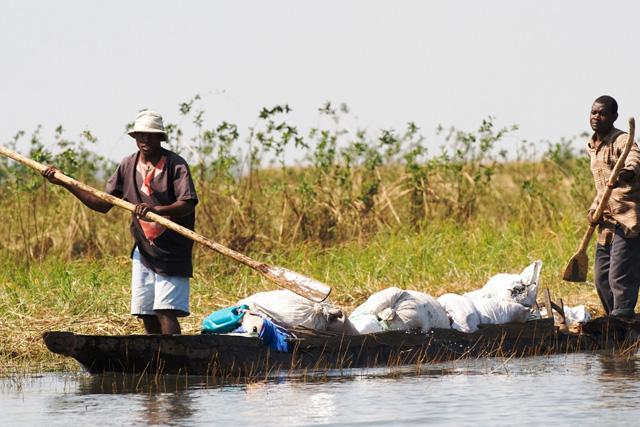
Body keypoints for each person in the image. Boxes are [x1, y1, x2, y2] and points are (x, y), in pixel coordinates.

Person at [42, 110, 198, 334]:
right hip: (143, 249)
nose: (144, 140)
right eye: (140, 136)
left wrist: (158, 210)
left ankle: (176, 358)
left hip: (172, 249)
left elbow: (187, 203)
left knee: (166, 310)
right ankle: (156, 358)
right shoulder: (128, 165)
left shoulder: (175, 165)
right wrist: (66, 182)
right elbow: (102, 203)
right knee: (146, 311)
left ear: (160, 138)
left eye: (150, 136)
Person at [586, 95, 640, 318]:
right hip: (606, 222)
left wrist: (625, 174)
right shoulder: (592, 146)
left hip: (626, 219)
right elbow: (601, 189)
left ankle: (624, 321)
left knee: (620, 277)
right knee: (601, 278)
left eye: (603, 113)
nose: (597, 117)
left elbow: (635, 160)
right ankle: (615, 322)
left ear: (614, 117)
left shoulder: (621, 140)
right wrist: (593, 210)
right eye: (594, 112)